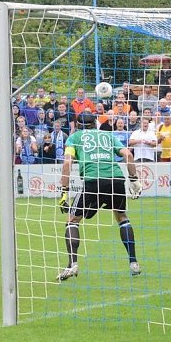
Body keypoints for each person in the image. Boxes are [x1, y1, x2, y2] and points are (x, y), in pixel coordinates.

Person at [56, 113, 142, 281]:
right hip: (116, 179)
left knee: (72, 220)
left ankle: (73, 264)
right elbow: (128, 155)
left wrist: (64, 191)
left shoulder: (74, 138)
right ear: (95, 123)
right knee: (122, 217)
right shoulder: (107, 135)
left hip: (92, 180)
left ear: (77, 124)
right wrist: (134, 180)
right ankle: (133, 263)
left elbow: (67, 163)